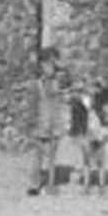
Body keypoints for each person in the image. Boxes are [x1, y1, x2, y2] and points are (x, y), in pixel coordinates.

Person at [26, 48, 68, 196]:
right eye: (47, 65)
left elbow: (67, 80)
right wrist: (31, 123)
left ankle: (51, 183)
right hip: (41, 123)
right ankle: (34, 184)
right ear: (42, 66)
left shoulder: (57, 82)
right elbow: (32, 105)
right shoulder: (37, 84)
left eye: (52, 65)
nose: (50, 68)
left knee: (52, 155)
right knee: (38, 154)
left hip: (54, 122)